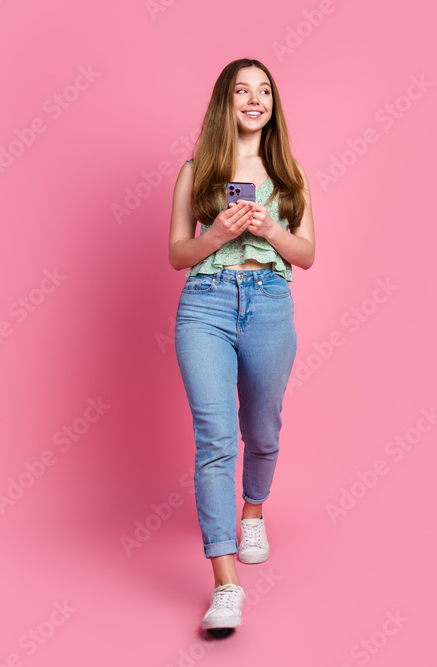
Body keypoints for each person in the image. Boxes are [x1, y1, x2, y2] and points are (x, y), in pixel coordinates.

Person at [167, 57, 315, 633]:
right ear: (224, 103)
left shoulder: (291, 172)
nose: (254, 100)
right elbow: (177, 253)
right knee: (215, 439)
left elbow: (306, 254)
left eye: (264, 92)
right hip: (204, 304)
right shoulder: (197, 169)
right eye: (241, 91)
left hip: (269, 301)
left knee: (264, 429)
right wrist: (220, 235)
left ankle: (252, 510)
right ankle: (225, 583)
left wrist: (269, 230)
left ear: (272, 104)